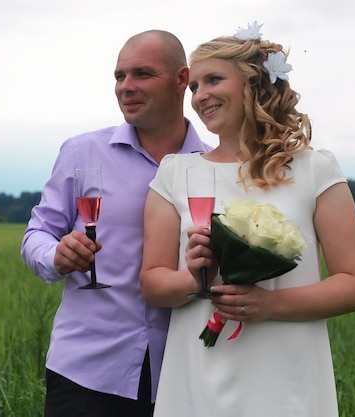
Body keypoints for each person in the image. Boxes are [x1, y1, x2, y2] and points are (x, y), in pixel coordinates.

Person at [139, 22, 355, 417]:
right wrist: (195, 274)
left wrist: (269, 305)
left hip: (287, 379)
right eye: (194, 86)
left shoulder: (315, 170)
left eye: (213, 80)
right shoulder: (175, 173)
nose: (200, 96)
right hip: (197, 378)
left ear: (255, 84)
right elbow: (152, 284)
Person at [21, 30, 213, 417]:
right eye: (119, 76)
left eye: (142, 74)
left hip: (184, 370)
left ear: (181, 79)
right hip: (86, 370)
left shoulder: (212, 166)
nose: (126, 87)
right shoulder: (82, 151)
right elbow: (37, 233)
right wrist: (56, 254)